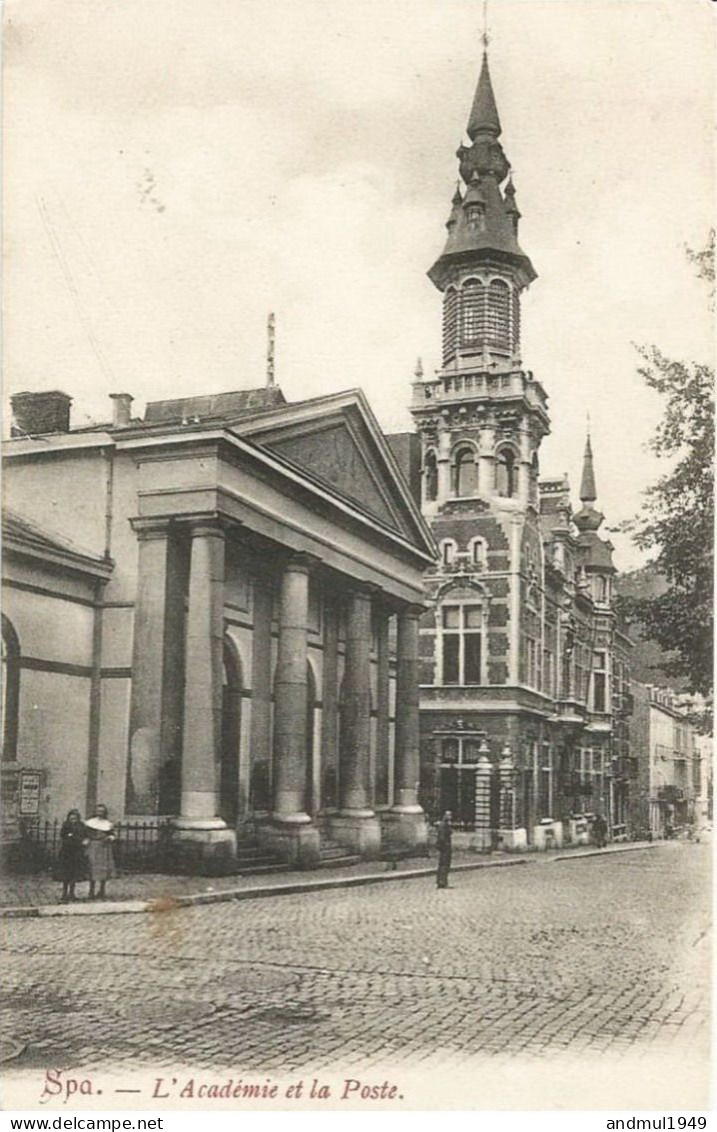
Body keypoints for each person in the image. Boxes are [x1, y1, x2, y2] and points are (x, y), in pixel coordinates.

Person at [84, 804, 116, 899]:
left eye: (102, 811)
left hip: (104, 848)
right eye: (98, 811)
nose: (100, 813)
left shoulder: (108, 824)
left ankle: (102, 890)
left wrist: (109, 838)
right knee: (92, 868)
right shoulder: (90, 823)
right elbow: (85, 834)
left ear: (105, 813)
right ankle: (91, 890)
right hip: (93, 847)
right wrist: (86, 840)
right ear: (95, 812)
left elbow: (112, 835)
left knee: (103, 868)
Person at [56, 809, 87, 903]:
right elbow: (63, 836)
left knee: (74, 873)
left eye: (75, 818)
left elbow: (84, 836)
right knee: (66, 873)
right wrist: (71, 837)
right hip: (67, 853)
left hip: (77, 852)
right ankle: (64, 893)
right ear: (69, 818)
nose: (73, 820)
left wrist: (82, 841)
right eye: (71, 818)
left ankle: (72, 893)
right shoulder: (66, 826)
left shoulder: (81, 826)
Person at [436, 810, 453, 889]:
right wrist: (446, 845)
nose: (450, 817)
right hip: (445, 848)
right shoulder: (443, 825)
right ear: (445, 816)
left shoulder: (445, 824)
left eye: (450, 815)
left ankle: (441, 881)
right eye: (448, 815)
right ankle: (442, 882)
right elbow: (442, 837)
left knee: (444, 865)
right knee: (444, 865)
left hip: (445, 847)